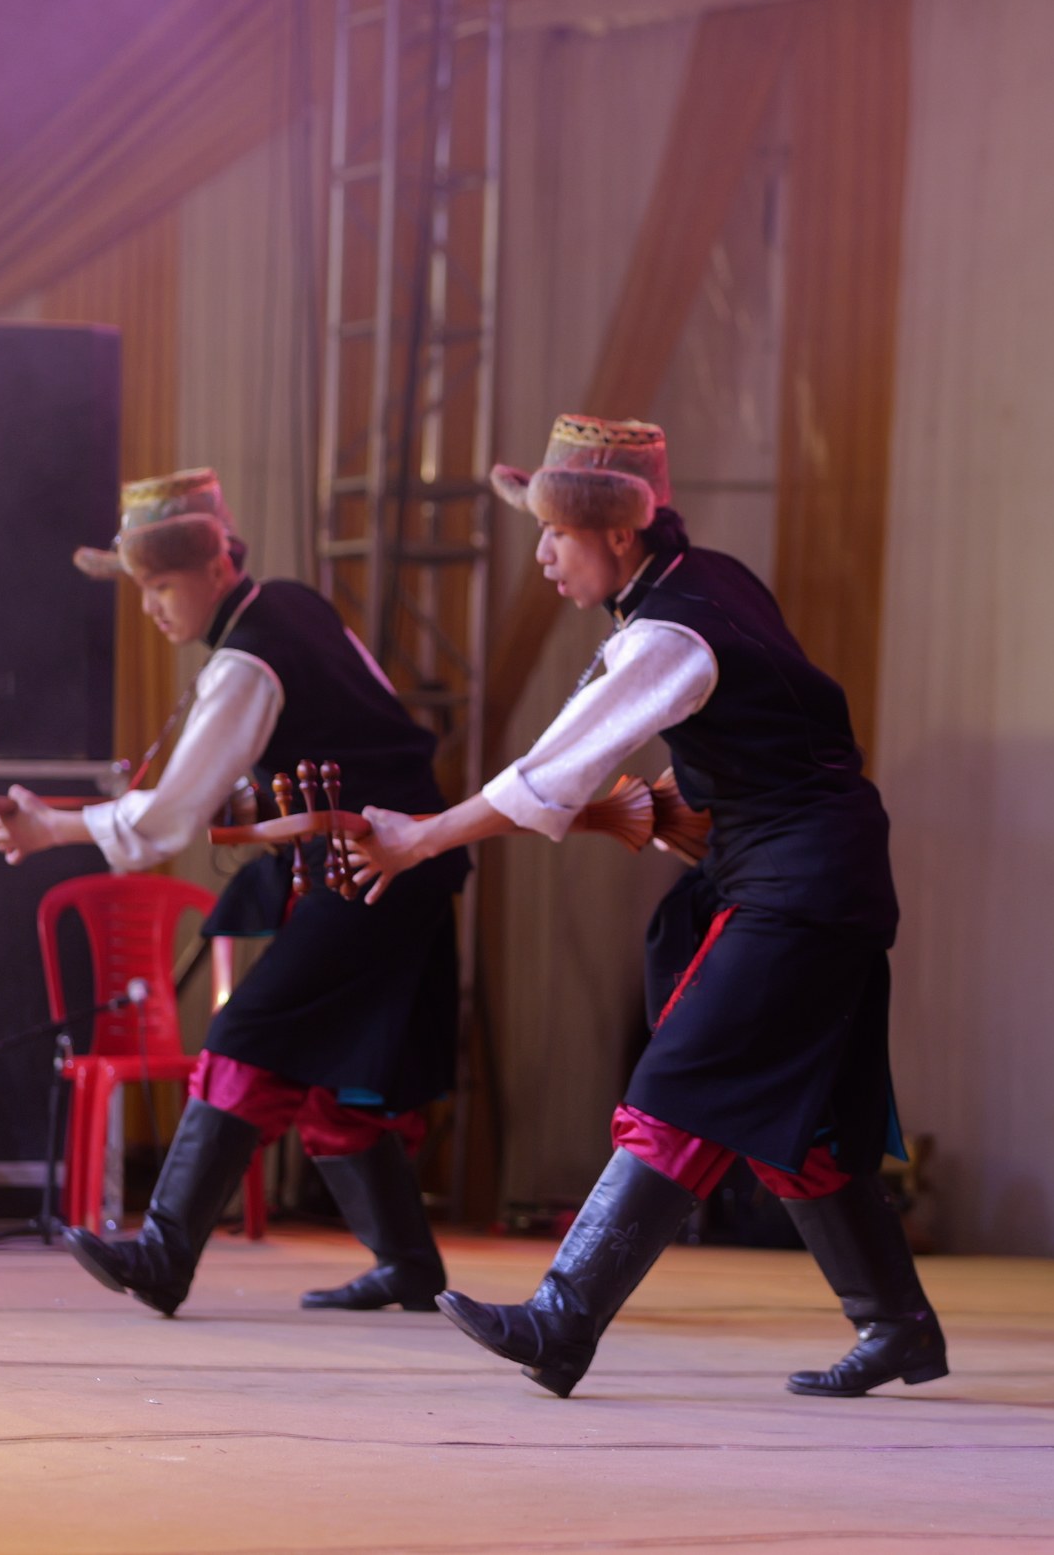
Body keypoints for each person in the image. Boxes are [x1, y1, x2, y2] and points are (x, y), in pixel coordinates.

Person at [347, 415, 942, 1400]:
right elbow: (762, 734)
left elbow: (552, 771)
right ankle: (897, 1326)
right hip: (803, 872)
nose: (542, 554)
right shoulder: (708, 580)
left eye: (556, 532)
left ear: (619, 532)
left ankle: (562, 1317)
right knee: (802, 1124)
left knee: (682, 1084)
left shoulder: (669, 629)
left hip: (799, 885)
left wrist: (417, 839)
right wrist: (682, 809)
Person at [0, 468, 465, 1317]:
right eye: (142, 589)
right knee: (335, 1068)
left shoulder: (247, 659)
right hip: (396, 860)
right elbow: (367, 727)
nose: (151, 607)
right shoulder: (296, 606)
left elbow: (166, 819)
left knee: (248, 1036)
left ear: (216, 567)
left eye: (163, 585)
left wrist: (50, 828)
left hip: (374, 865)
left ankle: (164, 1254)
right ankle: (409, 1265)